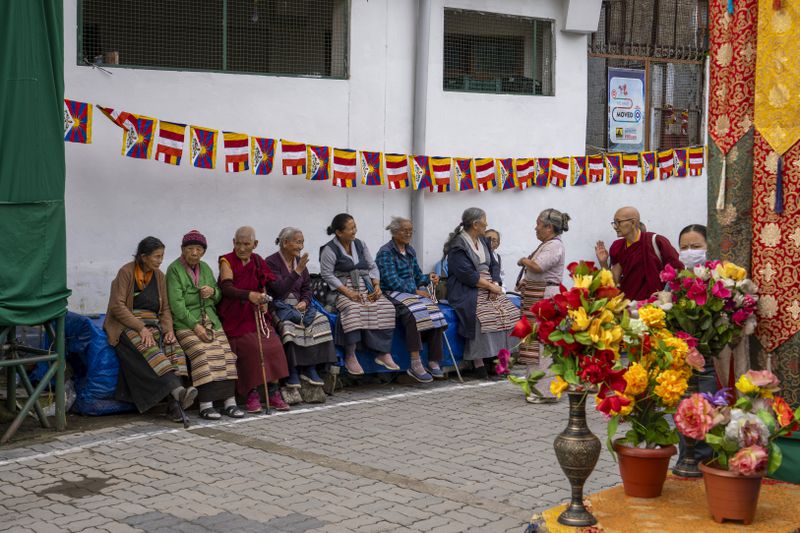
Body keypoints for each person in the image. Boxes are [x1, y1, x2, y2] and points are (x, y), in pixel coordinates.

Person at [104, 237, 196, 423]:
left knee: (174, 348)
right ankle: (178, 392)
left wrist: (168, 329)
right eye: (156, 256)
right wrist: (140, 327)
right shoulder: (126, 272)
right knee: (151, 348)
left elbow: (166, 309)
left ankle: (174, 405)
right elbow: (117, 306)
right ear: (143, 256)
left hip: (154, 324)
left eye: (162, 256)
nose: (160, 260)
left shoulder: (160, 276)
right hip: (127, 324)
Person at [166, 230, 243, 420]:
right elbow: (176, 306)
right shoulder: (174, 270)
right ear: (183, 250)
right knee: (203, 354)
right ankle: (205, 405)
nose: (194, 253)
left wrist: (212, 292)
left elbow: (218, 295)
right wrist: (195, 326)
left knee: (226, 353)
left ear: (203, 251)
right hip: (185, 323)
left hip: (210, 321)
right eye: (190, 248)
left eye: (198, 249)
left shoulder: (206, 268)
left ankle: (229, 403)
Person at [218, 226, 290, 413]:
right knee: (252, 349)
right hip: (235, 317)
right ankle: (252, 394)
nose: (241, 248)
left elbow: (263, 285)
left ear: (255, 245)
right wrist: (249, 295)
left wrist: (263, 299)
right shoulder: (226, 260)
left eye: (246, 244)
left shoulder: (257, 261)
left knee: (273, 346)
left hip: (255, 315)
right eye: (238, 243)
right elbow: (227, 288)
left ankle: (273, 392)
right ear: (233, 242)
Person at [320, 213, 399, 375]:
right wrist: (348, 292)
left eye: (355, 227)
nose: (355, 231)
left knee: (386, 307)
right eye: (351, 228)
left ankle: (383, 352)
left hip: (365, 288)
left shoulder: (360, 244)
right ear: (339, 232)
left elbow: (372, 266)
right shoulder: (329, 249)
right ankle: (350, 354)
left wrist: (376, 286)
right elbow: (327, 274)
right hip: (341, 291)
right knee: (354, 309)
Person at [445, 208, 520, 378]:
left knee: (509, 314)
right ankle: (478, 362)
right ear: (475, 224)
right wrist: (489, 286)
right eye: (484, 221)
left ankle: (501, 362)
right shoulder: (458, 245)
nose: (487, 224)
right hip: (467, 288)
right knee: (481, 316)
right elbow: (466, 274)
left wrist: (495, 283)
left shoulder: (484, 241)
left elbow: (494, 265)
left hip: (489, 285)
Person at [265, 227, 337, 393]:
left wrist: (305, 301)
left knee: (320, 321)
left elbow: (307, 288)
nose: (301, 246)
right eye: (298, 242)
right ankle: (294, 371)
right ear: (285, 243)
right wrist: (297, 271)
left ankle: (311, 368)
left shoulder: (300, 262)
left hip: (299, 305)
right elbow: (278, 290)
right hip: (280, 306)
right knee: (289, 327)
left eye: (302, 242)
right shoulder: (271, 262)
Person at [376, 217, 448, 382]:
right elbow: (391, 281)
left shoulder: (410, 250)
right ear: (394, 232)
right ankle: (415, 362)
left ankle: (433, 360)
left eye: (410, 230)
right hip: (392, 292)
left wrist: (428, 278)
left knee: (433, 310)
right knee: (412, 313)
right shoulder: (386, 252)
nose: (409, 233)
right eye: (404, 230)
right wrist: (416, 291)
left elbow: (416, 275)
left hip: (411, 293)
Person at [516, 209, 570, 403]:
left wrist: (523, 261)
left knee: (543, 344)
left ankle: (546, 391)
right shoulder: (548, 244)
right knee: (535, 342)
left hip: (545, 298)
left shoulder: (554, 246)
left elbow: (539, 267)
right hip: (538, 295)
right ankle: (537, 387)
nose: (535, 228)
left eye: (538, 224)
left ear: (549, 227)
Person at [594, 206, 683, 301]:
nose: (615, 227)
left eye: (618, 222)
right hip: (628, 305)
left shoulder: (656, 241)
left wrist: (668, 294)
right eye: (614, 223)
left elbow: (678, 271)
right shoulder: (617, 247)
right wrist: (603, 262)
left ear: (633, 222)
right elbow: (614, 282)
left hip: (655, 305)